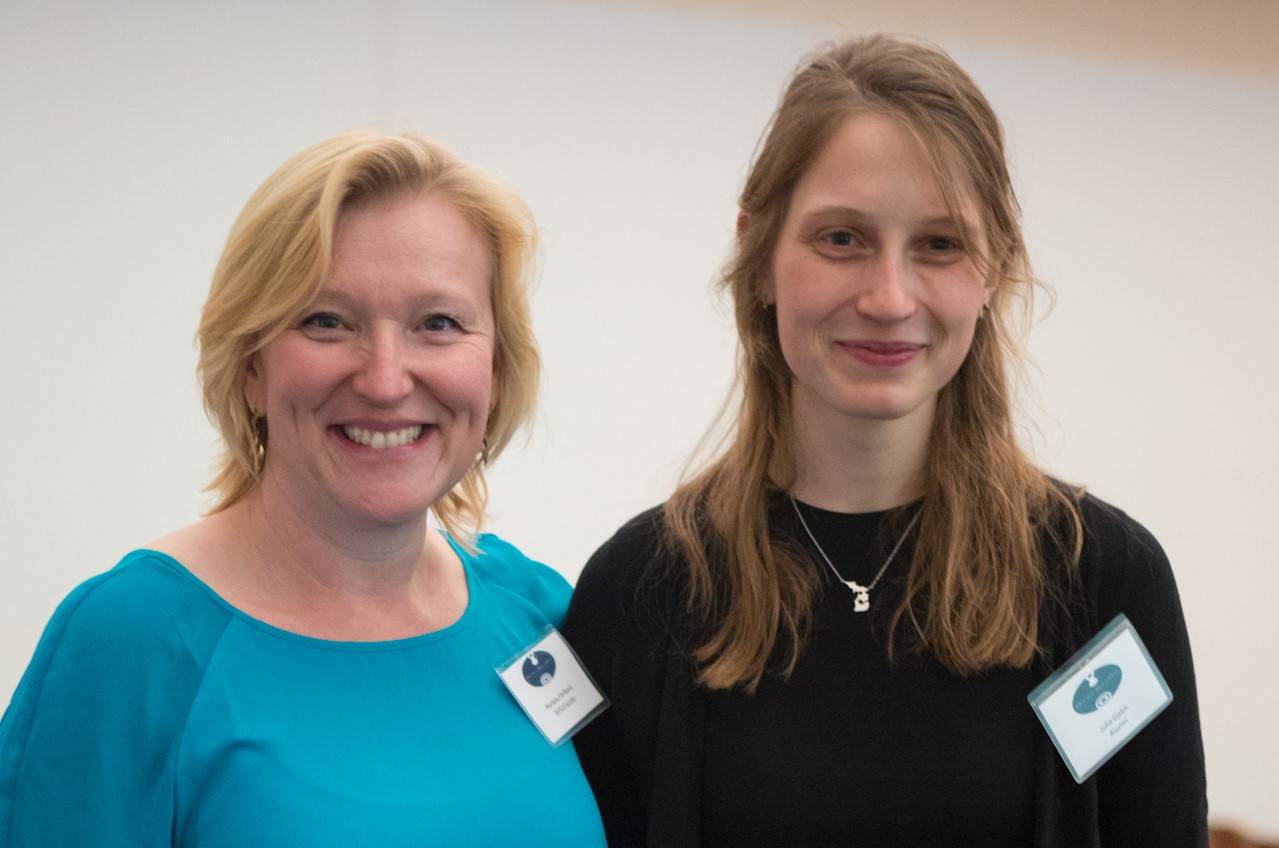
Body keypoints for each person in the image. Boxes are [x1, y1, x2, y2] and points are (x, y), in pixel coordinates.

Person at [563, 34, 1207, 847]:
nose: (888, 297)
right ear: (758, 255)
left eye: (938, 245)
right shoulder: (644, 586)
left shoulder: (1102, 577)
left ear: (992, 270)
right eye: (842, 238)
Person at [0, 131, 606, 846]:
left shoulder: (531, 607)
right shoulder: (132, 643)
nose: (384, 379)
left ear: (497, 366)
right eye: (326, 321)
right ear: (250, 364)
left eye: (437, 324)